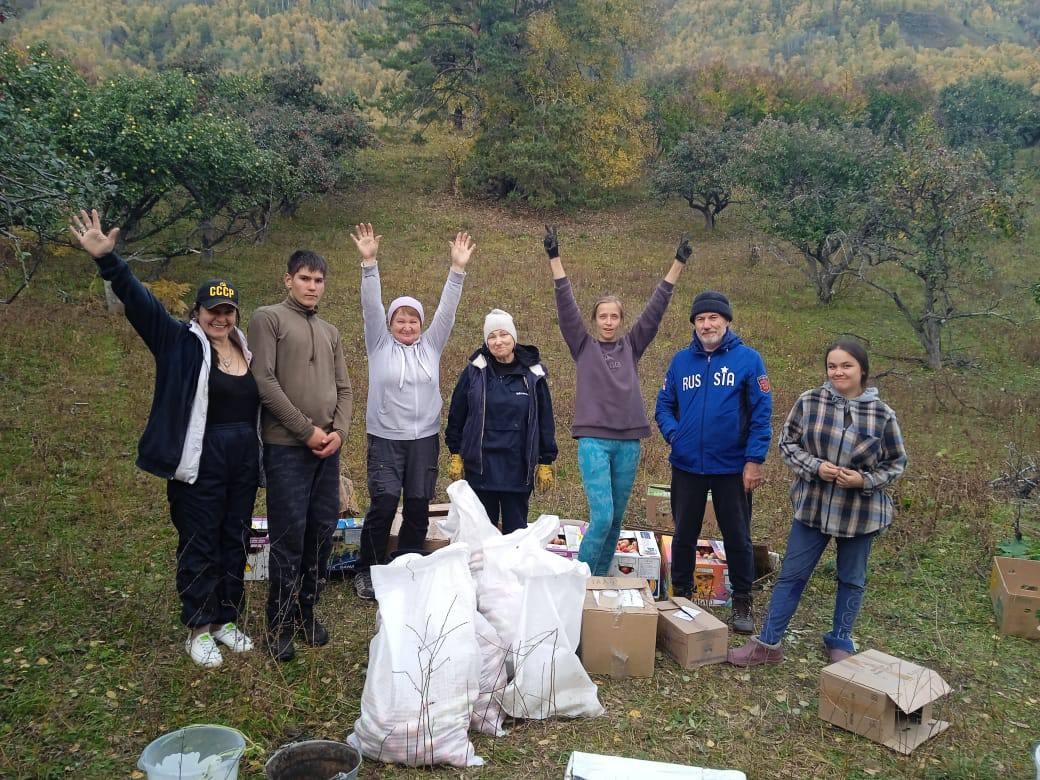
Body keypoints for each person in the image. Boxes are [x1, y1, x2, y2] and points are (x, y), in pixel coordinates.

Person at [70, 208, 260, 669]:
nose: (220, 317)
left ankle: (226, 620)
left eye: (227, 310)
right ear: (197, 312)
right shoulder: (177, 341)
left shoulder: (245, 349)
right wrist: (109, 262)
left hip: (242, 460)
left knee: (234, 539)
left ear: (236, 315)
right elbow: (142, 304)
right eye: (211, 310)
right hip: (199, 458)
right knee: (200, 539)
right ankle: (198, 627)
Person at [728, 338, 907, 666]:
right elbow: (787, 443)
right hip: (813, 507)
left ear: (862, 370)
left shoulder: (882, 415)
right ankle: (768, 644)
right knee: (792, 575)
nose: (838, 372)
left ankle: (840, 639)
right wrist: (816, 467)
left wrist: (863, 480)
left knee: (851, 578)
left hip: (860, 514)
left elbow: (896, 463)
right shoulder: (810, 402)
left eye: (846, 366)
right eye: (833, 366)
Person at [545, 225, 689, 576]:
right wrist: (555, 260)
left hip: (628, 443)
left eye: (614, 316)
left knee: (617, 519)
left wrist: (677, 264)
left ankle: (598, 581)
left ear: (621, 321)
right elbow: (566, 307)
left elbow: (655, 310)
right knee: (603, 516)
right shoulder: (583, 346)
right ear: (594, 320)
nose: (608, 321)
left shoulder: (631, 346)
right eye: (602, 316)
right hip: (593, 441)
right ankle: (578, 581)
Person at [350, 222, 475, 600]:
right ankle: (368, 570)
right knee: (384, 503)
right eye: (400, 319)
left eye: (413, 320)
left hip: (424, 438)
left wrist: (457, 270)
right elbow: (370, 306)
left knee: (418, 505)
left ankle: (409, 564)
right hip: (386, 439)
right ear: (389, 324)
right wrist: (369, 264)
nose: (407, 325)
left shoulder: (431, 346)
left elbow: (447, 311)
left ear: (422, 325)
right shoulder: (379, 345)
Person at [248, 249, 352, 662]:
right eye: (305, 278)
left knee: (321, 531)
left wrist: (338, 432)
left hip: (327, 449)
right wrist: (304, 429)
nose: (312, 286)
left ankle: (306, 612)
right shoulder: (268, 318)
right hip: (286, 447)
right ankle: (278, 620)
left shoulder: (329, 331)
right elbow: (264, 380)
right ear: (288, 279)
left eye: (319, 280)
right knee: (289, 535)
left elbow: (345, 388)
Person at [655, 290, 772, 634]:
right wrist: (675, 435)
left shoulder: (748, 361)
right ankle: (682, 597)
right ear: (694, 324)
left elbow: (761, 413)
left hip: (732, 466)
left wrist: (754, 459)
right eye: (700, 319)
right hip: (687, 464)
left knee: (737, 535)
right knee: (684, 533)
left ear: (726, 321)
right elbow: (664, 405)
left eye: (713, 318)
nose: (707, 325)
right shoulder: (680, 361)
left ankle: (742, 601)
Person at [445, 309, 558, 533]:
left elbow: (545, 420)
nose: (498, 341)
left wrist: (546, 460)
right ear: (486, 342)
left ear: (513, 337)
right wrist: (456, 452)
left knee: (515, 534)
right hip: (481, 466)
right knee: (482, 533)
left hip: (517, 466)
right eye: (492, 337)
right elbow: (457, 413)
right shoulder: (474, 372)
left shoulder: (533, 376)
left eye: (503, 334)